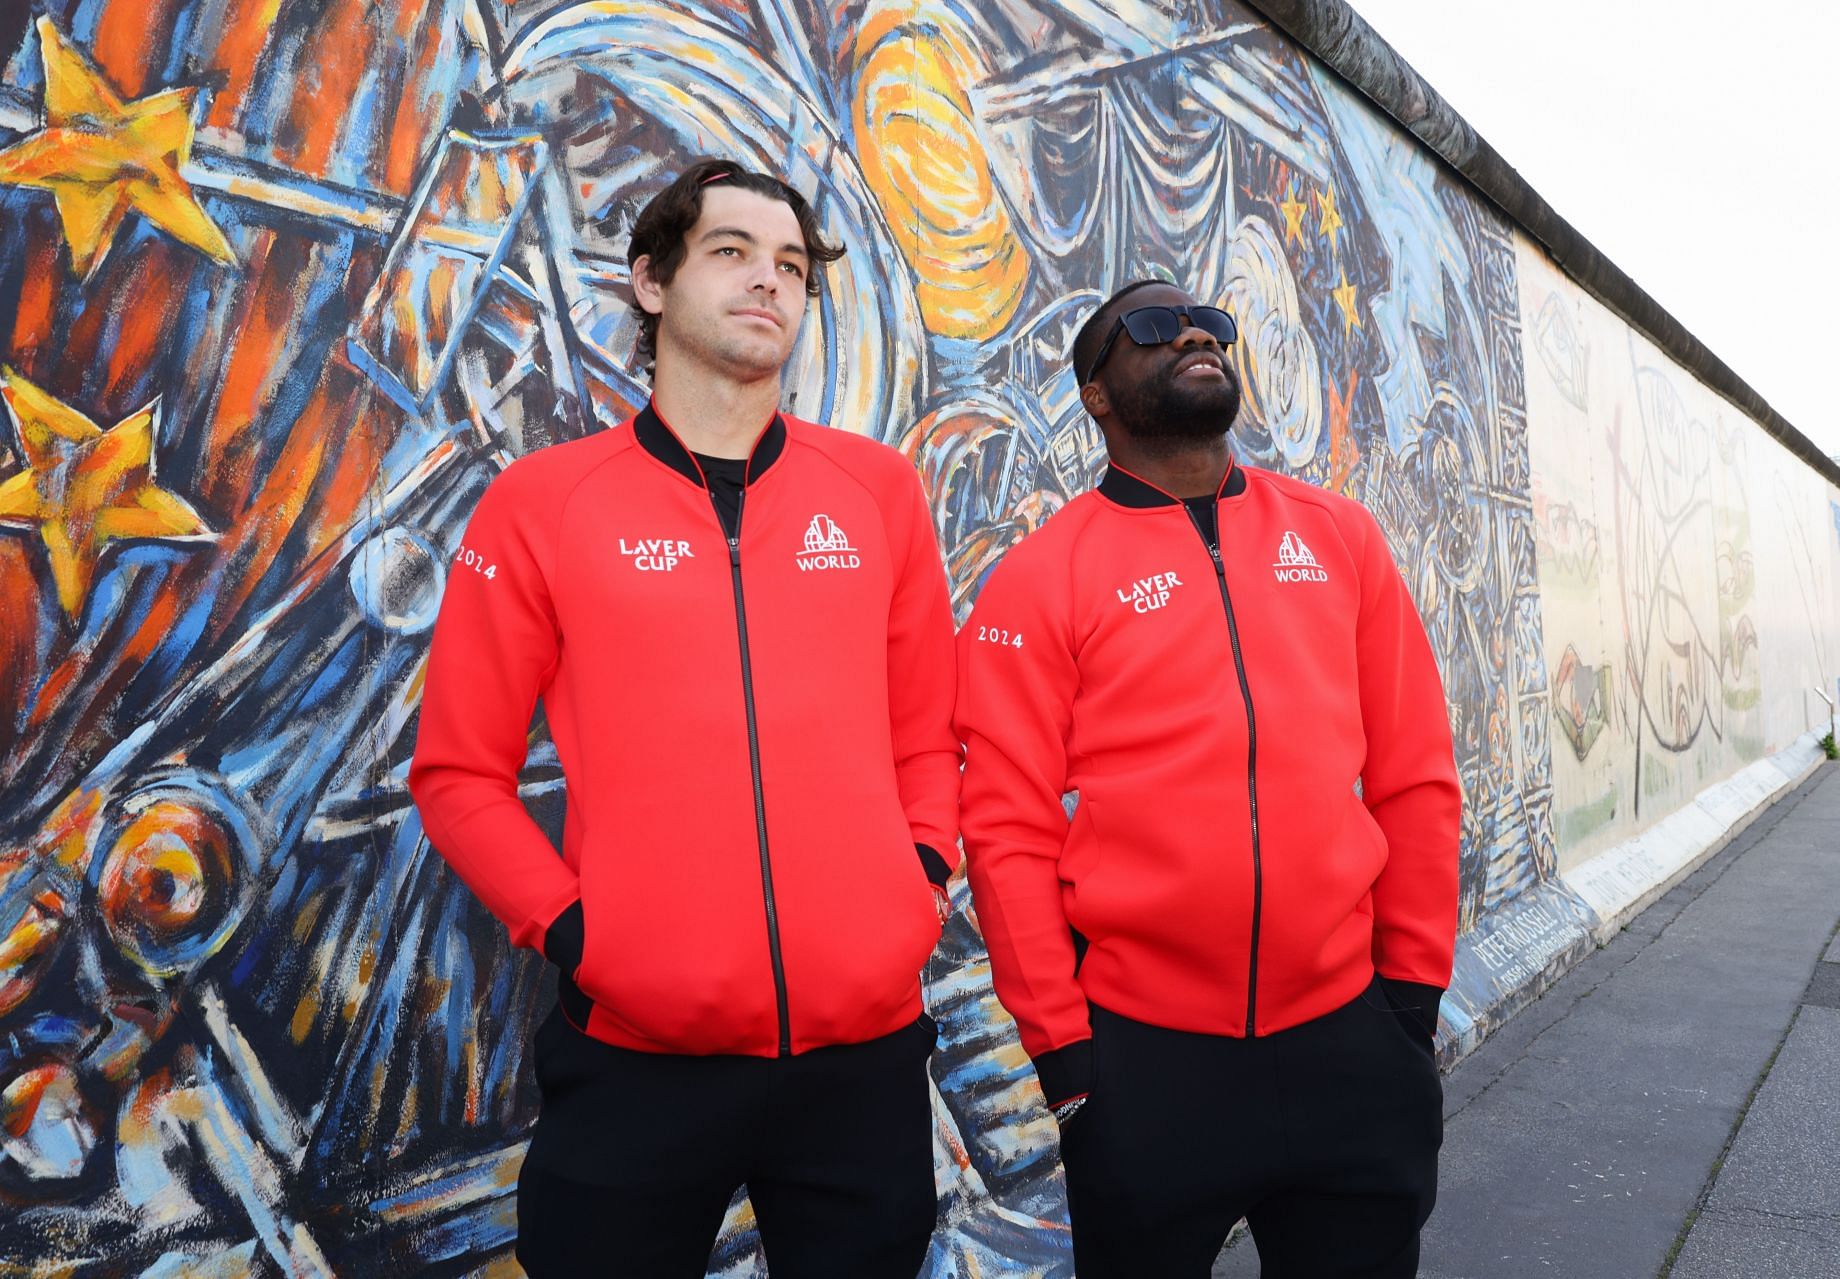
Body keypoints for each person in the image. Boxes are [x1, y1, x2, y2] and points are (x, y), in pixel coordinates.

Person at [409, 159, 960, 1277]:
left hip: (865, 1057)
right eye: (733, 252)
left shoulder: (878, 494)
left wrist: (921, 881)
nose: (769, 281)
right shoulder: (546, 503)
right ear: (652, 281)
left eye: (792, 266)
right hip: (636, 1058)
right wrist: (579, 934)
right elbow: (457, 773)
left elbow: (929, 733)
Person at [955, 280, 1462, 1277]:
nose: (1194, 331)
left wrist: (1409, 995)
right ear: (1097, 394)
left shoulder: (1339, 536)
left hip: (1351, 1040)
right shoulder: (1042, 576)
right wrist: (1067, 1059)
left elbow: (1416, 774)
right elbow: (1005, 826)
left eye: (1210, 324)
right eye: (1148, 326)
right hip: (1148, 1062)